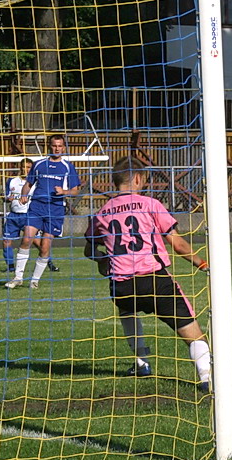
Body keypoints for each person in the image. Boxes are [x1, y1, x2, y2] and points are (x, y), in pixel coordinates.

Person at [84, 156, 212, 391]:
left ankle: (142, 362)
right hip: (153, 279)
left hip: (121, 284)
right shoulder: (150, 204)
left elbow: (89, 247)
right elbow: (178, 244)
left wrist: (103, 259)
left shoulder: (102, 212)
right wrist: (202, 264)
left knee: (127, 311)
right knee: (190, 330)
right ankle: (207, 377)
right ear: (137, 178)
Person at [5, 134, 80, 290]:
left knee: (45, 246)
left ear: (64, 148)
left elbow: (75, 191)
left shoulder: (68, 167)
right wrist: (24, 195)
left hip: (55, 209)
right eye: (54, 145)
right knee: (26, 239)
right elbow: (28, 183)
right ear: (49, 146)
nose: (57, 148)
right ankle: (18, 277)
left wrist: (64, 191)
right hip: (37, 207)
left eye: (60, 146)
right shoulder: (39, 164)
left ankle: (34, 280)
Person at [2, 158, 59, 274]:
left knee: (37, 242)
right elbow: (5, 197)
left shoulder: (36, 183)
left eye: (28, 167)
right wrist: (8, 198)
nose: (25, 169)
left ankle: (49, 262)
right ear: (20, 167)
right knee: (6, 241)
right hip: (13, 216)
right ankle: (11, 267)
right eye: (24, 167)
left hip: (29, 215)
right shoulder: (11, 181)